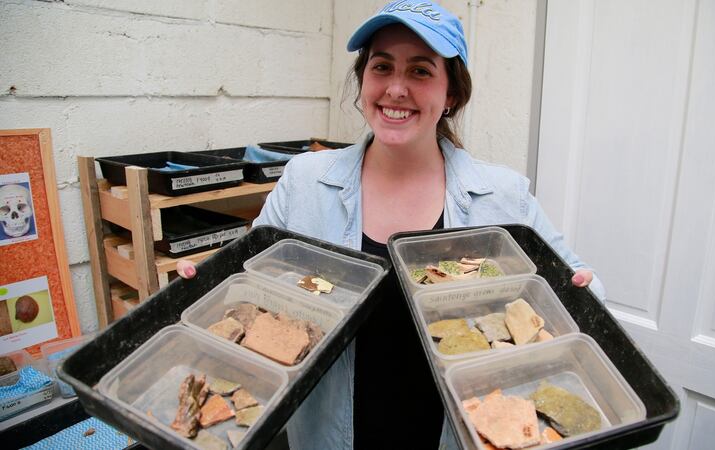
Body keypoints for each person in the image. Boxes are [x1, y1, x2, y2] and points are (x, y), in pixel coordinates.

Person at [177, 2, 605, 449]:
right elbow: (247, 284)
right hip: (330, 436)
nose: (396, 89)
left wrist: (578, 292)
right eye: (382, 67)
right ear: (363, 80)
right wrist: (205, 286)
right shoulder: (304, 182)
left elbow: (583, 292)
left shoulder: (503, 197)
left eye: (420, 71)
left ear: (452, 95)